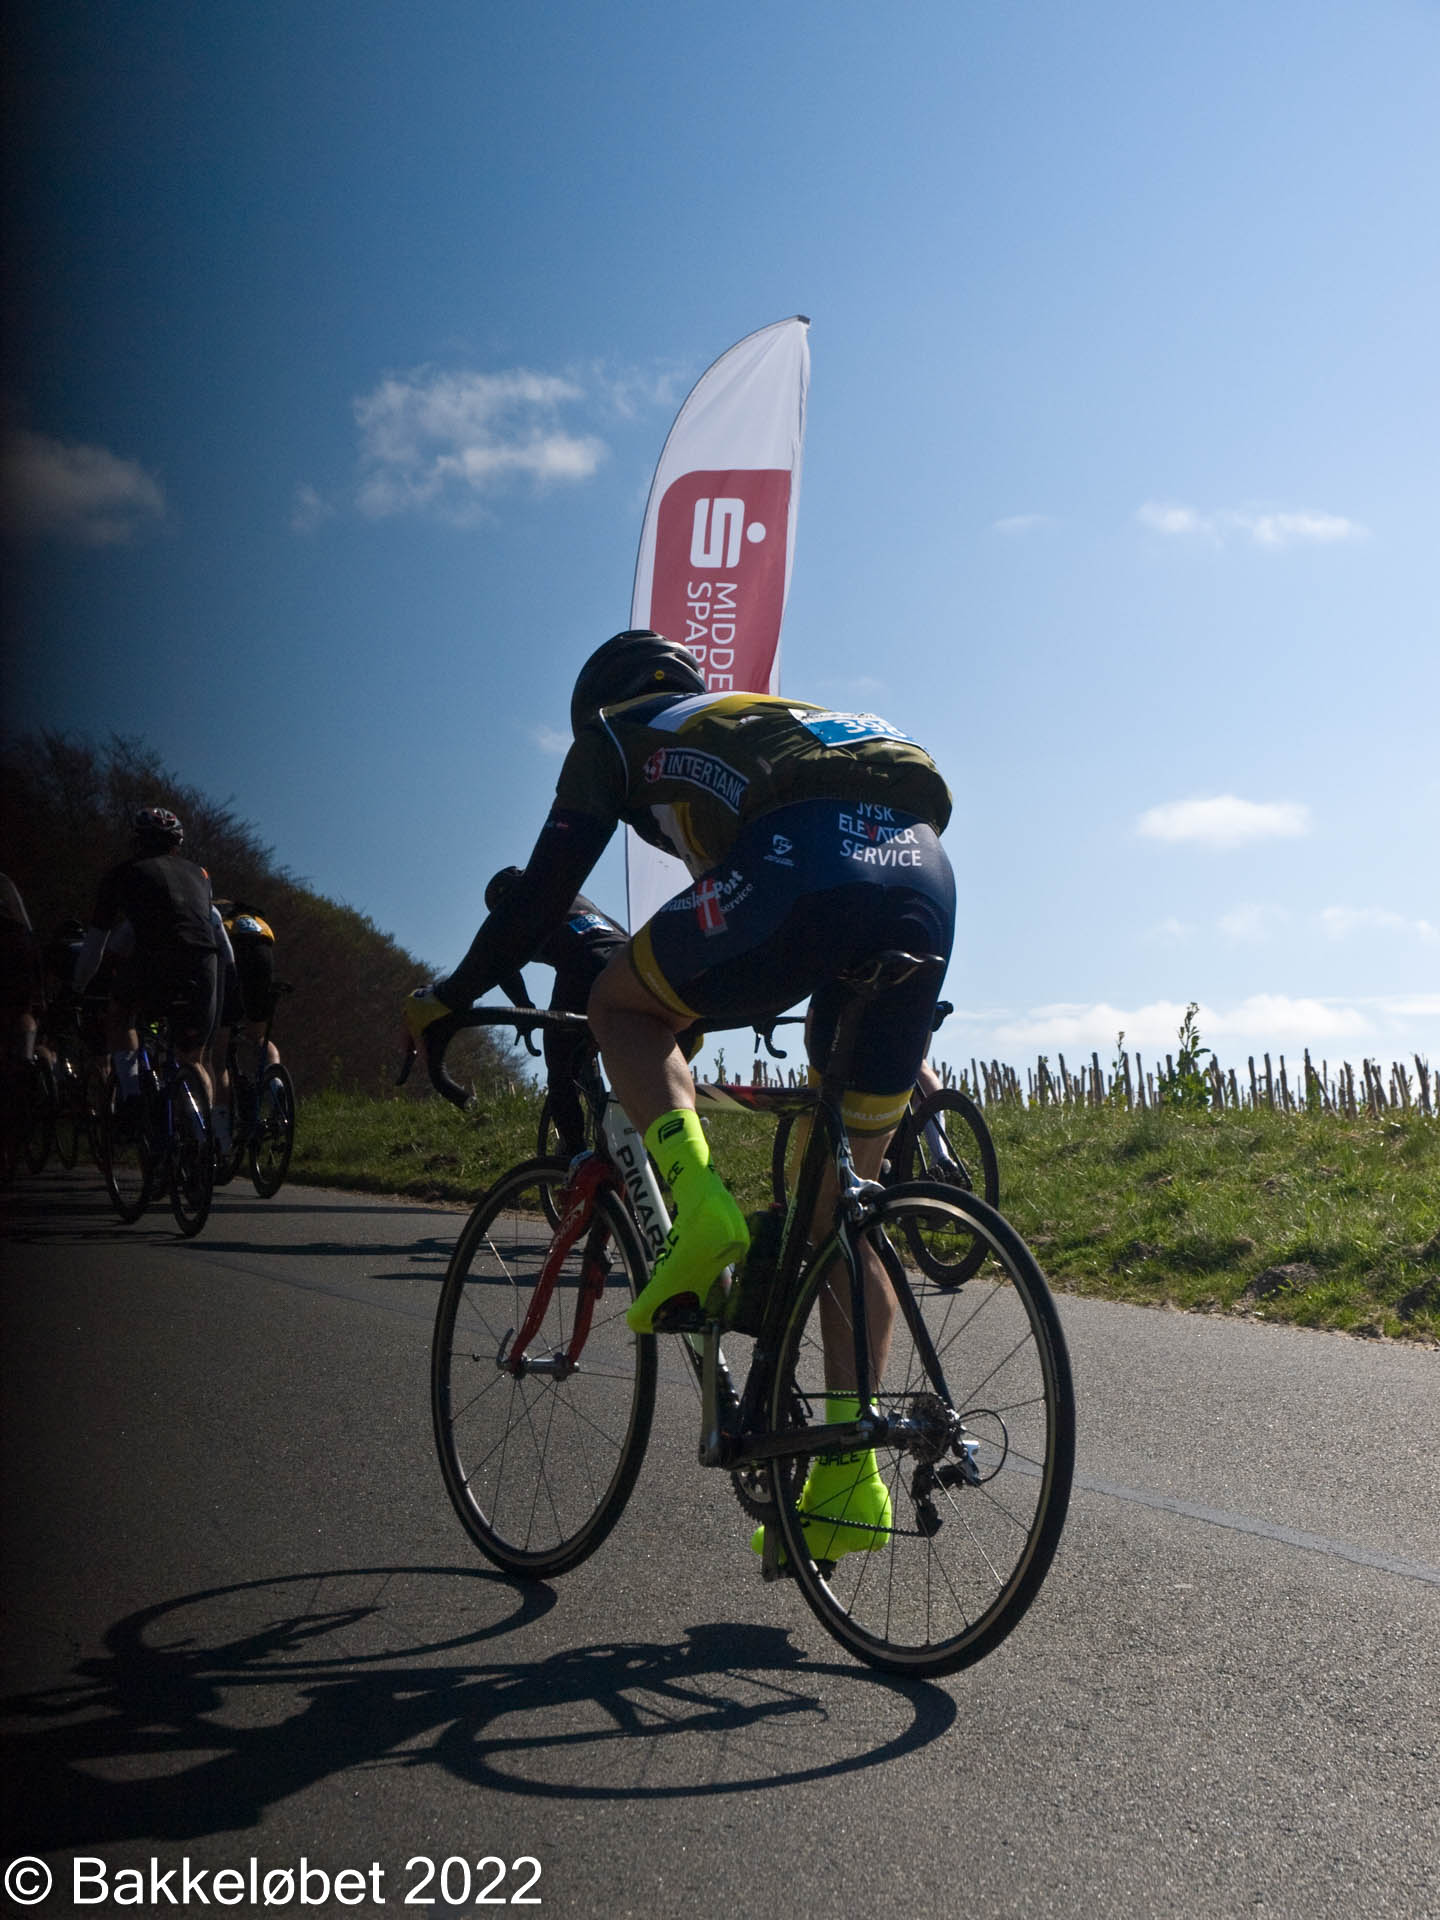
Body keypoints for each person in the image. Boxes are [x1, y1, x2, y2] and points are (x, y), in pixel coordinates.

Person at [406, 629, 955, 1560]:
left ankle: (699, 1209)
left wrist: (448, 996)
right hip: (922, 872)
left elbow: (541, 898)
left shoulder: (614, 735)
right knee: (838, 1219)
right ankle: (843, 1482)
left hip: (803, 854)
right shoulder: (757, 721)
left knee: (620, 1003)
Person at [74, 807, 220, 1108]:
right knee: (193, 1059)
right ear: (177, 844)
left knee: (120, 1018)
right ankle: (205, 1134)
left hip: (156, 957)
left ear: (137, 841)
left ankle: (132, 1099)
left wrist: (78, 987)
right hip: (205, 961)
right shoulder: (201, 874)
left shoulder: (121, 874)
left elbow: (95, 945)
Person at [483, 868, 628, 1159]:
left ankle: (573, 1152)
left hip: (582, 968)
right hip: (627, 958)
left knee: (559, 1062)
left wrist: (524, 1009)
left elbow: (499, 963)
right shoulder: (573, 895)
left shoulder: (516, 905)